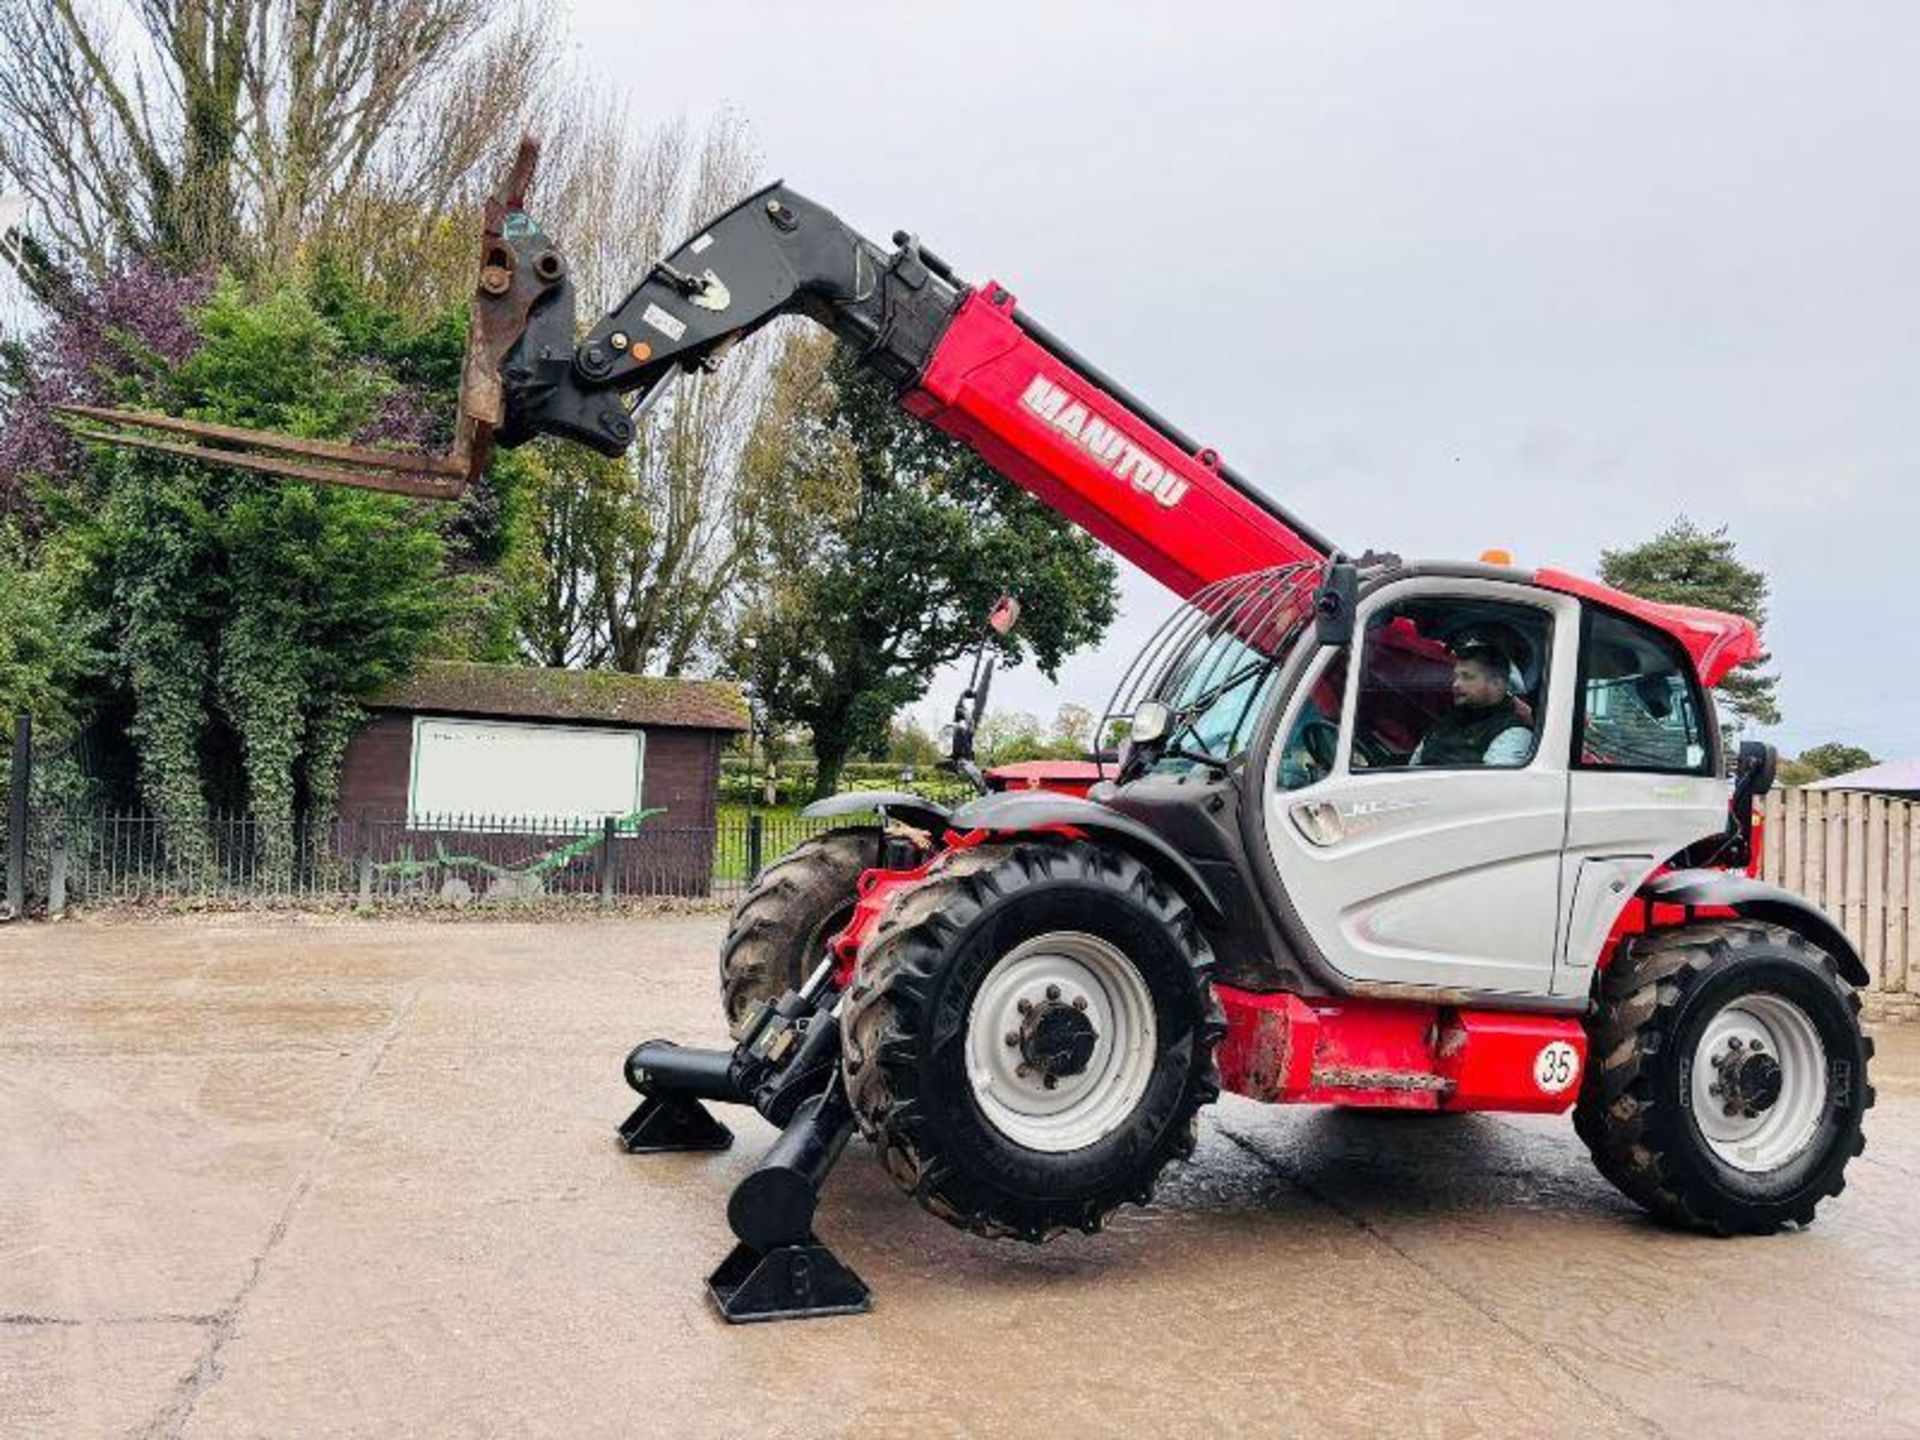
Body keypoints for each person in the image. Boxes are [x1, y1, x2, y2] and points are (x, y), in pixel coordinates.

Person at [1410, 643, 1533, 766]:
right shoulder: (1446, 721)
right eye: (1456, 676)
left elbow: (1494, 783)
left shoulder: (1513, 732)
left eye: (1467, 677)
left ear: (1497, 683)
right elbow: (1412, 769)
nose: (1455, 684)